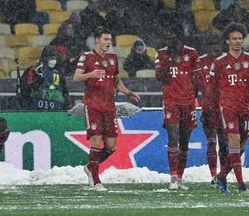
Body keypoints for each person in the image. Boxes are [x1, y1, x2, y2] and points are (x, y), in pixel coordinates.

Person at [73, 27, 140, 191]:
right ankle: (96, 181)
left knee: (111, 146)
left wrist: (127, 92)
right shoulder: (86, 57)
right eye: (105, 39)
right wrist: (90, 75)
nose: (109, 43)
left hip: (109, 107)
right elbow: (76, 77)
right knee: (96, 141)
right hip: (93, 105)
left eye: (110, 40)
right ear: (97, 40)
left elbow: (115, 80)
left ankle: (89, 167)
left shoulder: (113, 58)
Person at [211, 22, 249, 193]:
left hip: (245, 108)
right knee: (234, 143)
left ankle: (222, 176)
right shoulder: (220, 62)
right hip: (227, 108)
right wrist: (209, 110)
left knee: (242, 145)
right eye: (234, 39)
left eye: (240, 38)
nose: (237, 41)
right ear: (228, 41)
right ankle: (241, 184)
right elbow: (211, 88)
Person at [154, 35, 199, 189]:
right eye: (171, 40)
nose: (175, 43)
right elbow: (160, 76)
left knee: (185, 141)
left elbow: (197, 78)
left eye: (177, 40)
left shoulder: (192, 53)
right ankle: (173, 176)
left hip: (188, 102)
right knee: (173, 136)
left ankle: (180, 177)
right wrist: (169, 59)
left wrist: (195, 96)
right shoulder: (161, 54)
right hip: (171, 101)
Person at [193, 42, 227, 186]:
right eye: (213, 47)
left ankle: (222, 175)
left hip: (225, 108)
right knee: (212, 142)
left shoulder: (227, 60)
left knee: (224, 144)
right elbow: (194, 84)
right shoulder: (199, 62)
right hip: (208, 108)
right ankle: (213, 175)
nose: (215, 50)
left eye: (217, 47)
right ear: (207, 48)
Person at [18, 45, 72, 110]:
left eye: (54, 58)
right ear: (45, 58)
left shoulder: (58, 71)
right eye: (51, 58)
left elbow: (64, 90)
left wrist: (67, 105)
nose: (53, 60)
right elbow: (26, 87)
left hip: (56, 108)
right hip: (37, 107)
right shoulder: (34, 69)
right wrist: (37, 82)